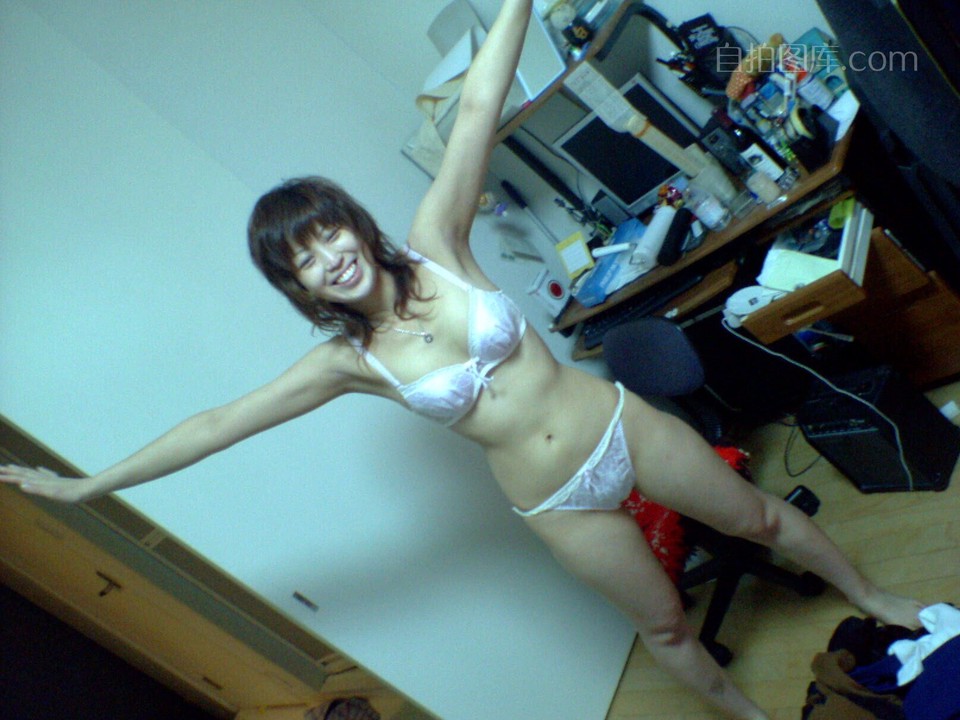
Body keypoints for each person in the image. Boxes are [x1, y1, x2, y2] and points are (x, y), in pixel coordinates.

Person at [0, 2, 924, 718]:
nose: (330, 258)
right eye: (304, 260)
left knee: (758, 518)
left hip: (616, 427)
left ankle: (876, 595)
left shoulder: (436, 242)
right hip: (556, 504)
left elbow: (478, 104)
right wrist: (88, 487)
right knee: (666, 626)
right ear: (300, 286)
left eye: (327, 232)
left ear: (350, 223)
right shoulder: (347, 363)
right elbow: (218, 423)